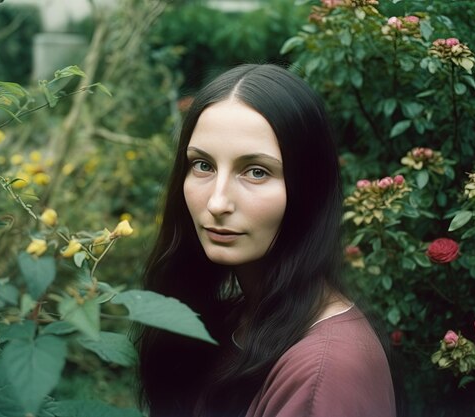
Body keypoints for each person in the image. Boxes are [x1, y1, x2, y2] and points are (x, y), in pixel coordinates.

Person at [136, 64, 396, 417]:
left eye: (256, 171)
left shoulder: (325, 373)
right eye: (203, 166)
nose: (217, 202)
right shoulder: (233, 320)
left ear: (309, 189)